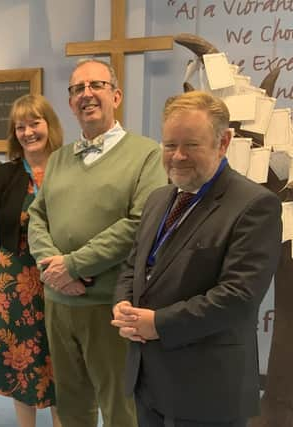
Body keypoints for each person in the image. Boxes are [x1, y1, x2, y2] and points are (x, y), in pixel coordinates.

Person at [112, 91, 282, 427]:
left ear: (223, 142)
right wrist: (123, 305)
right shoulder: (159, 199)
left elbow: (238, 298)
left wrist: (157, 324)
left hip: (207, 392)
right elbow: (134, 265)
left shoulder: (254, 205)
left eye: (191, 145)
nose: (177, 156)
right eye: (169, 144)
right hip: (149, 381)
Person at [27, 58, 166, 427]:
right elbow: (36, 217)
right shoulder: (58, 160)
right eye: (77, 89)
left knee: (120, 406)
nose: (86, 94)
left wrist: (73, 265)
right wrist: (52, 266)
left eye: (96, 86)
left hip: (110, 305)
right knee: (71, 405)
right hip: (58, 303)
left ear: (116, 95)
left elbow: (140, 224)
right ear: (70, 102)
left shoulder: (147, 155)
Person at [0, 94, 62, 427]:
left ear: (50, 125)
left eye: (35, 123)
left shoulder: (68, 166)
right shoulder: (5, 174)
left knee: (61, 359)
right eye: (20, 126)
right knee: (19, 360)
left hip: (60, 277)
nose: (28, 132)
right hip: (13, 281)